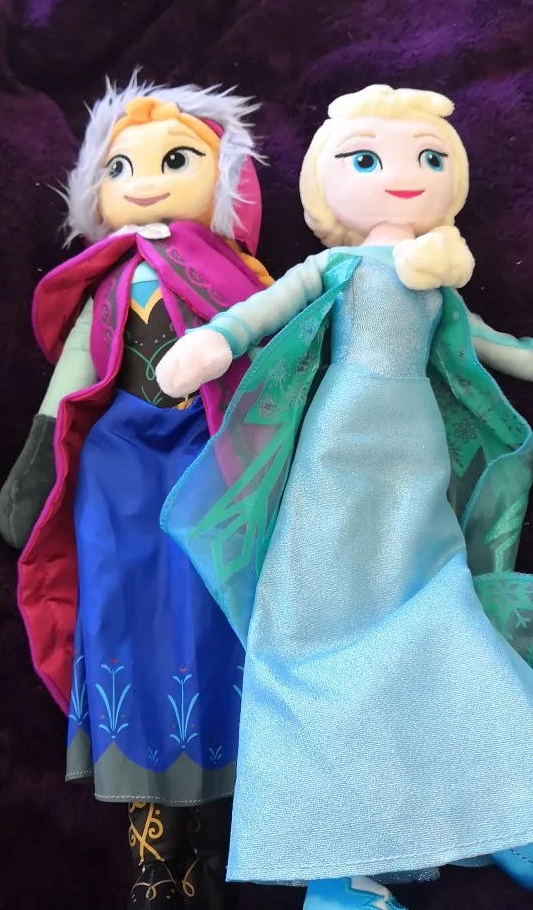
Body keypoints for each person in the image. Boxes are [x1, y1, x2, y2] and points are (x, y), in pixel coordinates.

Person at [157, 85, 533, 908]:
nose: (404, 174)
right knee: (310, 632)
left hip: (416, 466)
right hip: (336, 457)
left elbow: (490, 346)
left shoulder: (437, 278)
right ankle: (338, 874)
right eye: (366, 159)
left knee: (440, 614)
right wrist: (213, 343)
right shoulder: (335, 268)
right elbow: (264, 311)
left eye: (429, 157)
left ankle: (508, 803)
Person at [0, 75, 273, 910]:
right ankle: (155, 869)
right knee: (124, 633)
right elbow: (79, 371)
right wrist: (39, 453)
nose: (143, 180)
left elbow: (271, 374)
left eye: (175, 160)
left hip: (209, 464)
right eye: (119, 167)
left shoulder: (241, 280)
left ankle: (215, 856)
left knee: (215, 627)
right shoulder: (106, 281)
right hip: (118, 473)